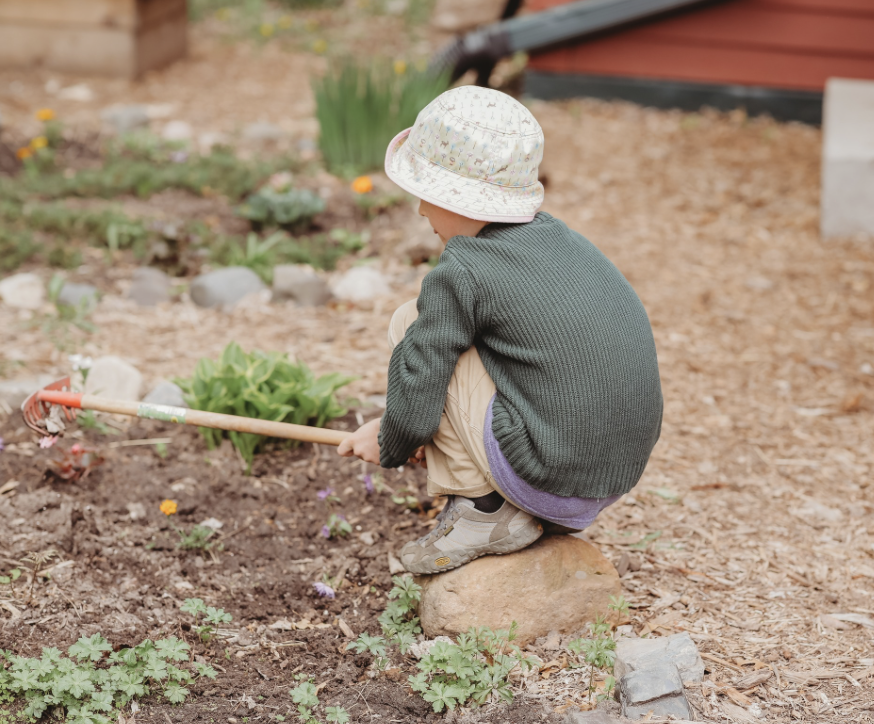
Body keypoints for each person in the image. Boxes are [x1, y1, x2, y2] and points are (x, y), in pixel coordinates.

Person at [338, 86, 663, 575]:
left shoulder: (465, 269)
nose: (422, 211)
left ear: (457, 197)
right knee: (459, 339)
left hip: (550, 479)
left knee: (412, 323)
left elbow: (423, 370)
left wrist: (391, 438)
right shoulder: (563, 242)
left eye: (426, 196)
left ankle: (482, 512)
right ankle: (515, 507)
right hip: (608, 478)